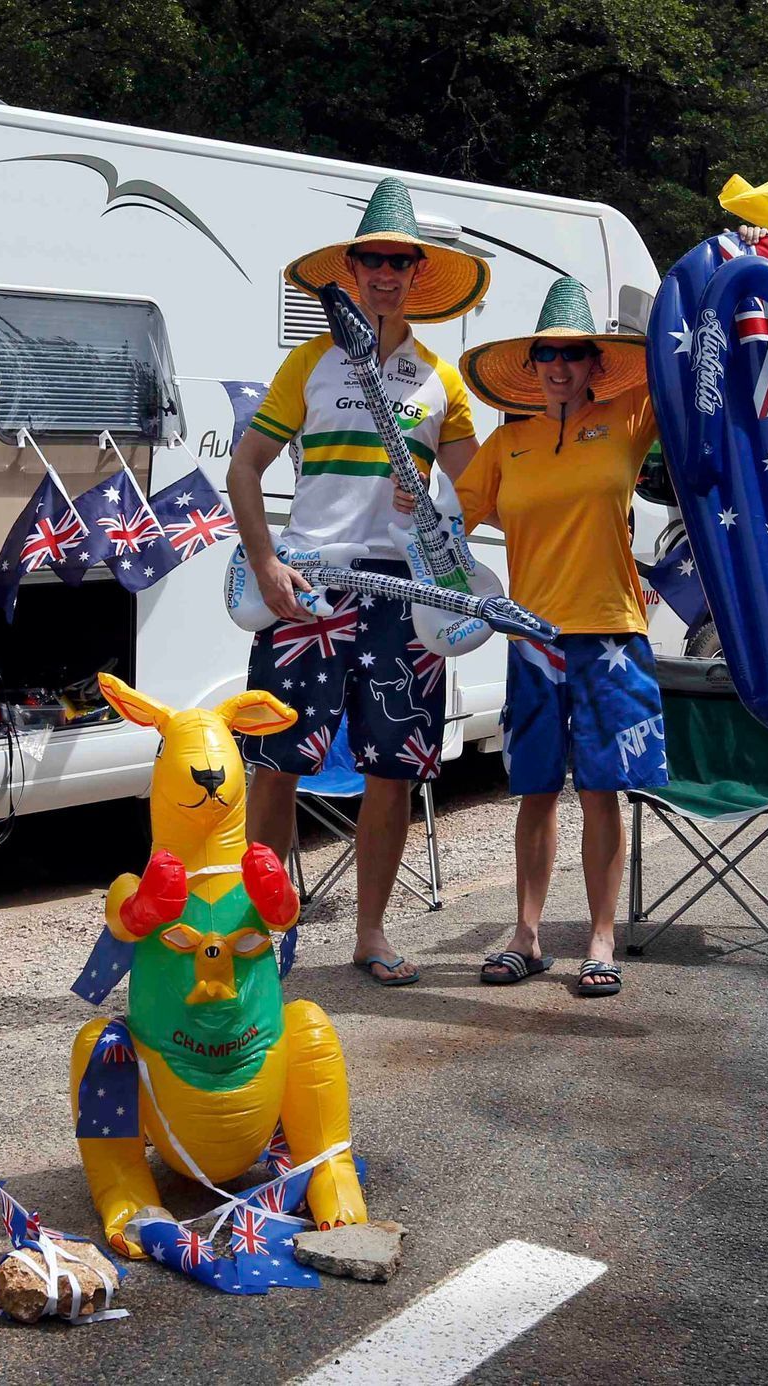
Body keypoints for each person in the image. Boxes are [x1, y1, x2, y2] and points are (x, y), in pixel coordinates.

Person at [227, 177, 491, 987]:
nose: (385, 273)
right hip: (308, 584)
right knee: (275, 761)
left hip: (404, 592)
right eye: (372, 260)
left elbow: (470, 492)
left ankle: (370, 933)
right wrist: (266, 559)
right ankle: (261, 928)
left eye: (400, 262)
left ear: (418, 274)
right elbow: (245, 465)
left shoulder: (439, 381)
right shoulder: (309, 360)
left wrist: (438, 503)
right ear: (352, 269)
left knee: (394, 767)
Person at [452, 276, 663, 998]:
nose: (561, 366)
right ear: (533, 364)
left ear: (596, 363)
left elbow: (687, 371)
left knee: (602, 792)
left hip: (610, 629)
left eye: (576, 353)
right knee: (536, 791)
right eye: (548, 353)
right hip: (532, 636)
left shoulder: (631, 415)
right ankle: (527, 937)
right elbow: (448, 524)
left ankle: (601, 939)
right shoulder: (506, 443)